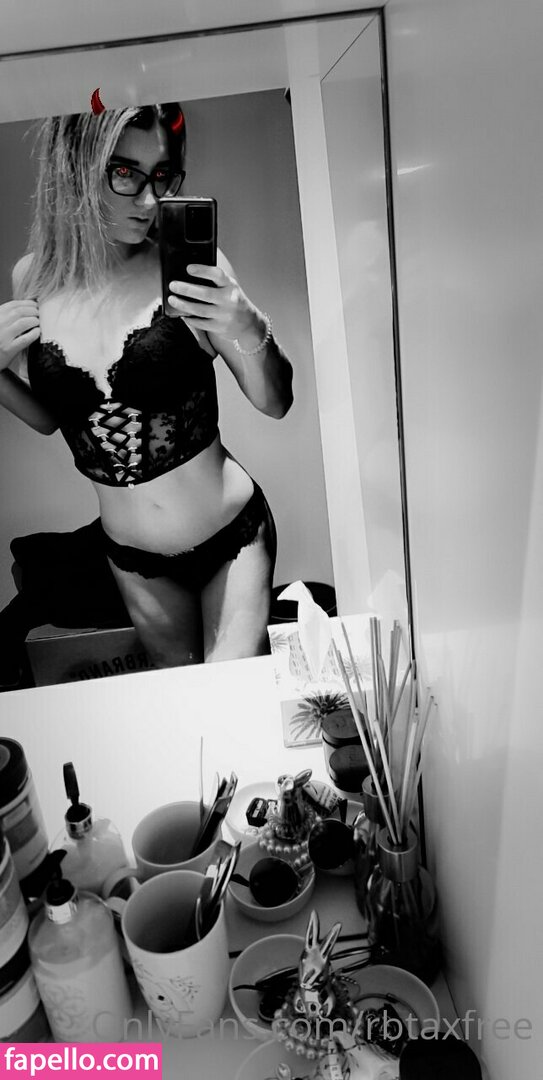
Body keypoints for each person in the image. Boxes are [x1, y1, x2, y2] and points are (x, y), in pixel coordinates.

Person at [0, 103, 293, 668]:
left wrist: (248, 325)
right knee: (176, 704)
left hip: (231, 536)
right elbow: (52, 419)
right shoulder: (33, 278)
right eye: (124, 172)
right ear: (75, 167)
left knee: (230, 702)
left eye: (161, 174)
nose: (150, 200)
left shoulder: (186, 270)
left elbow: (275, 402)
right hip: (132, 561)